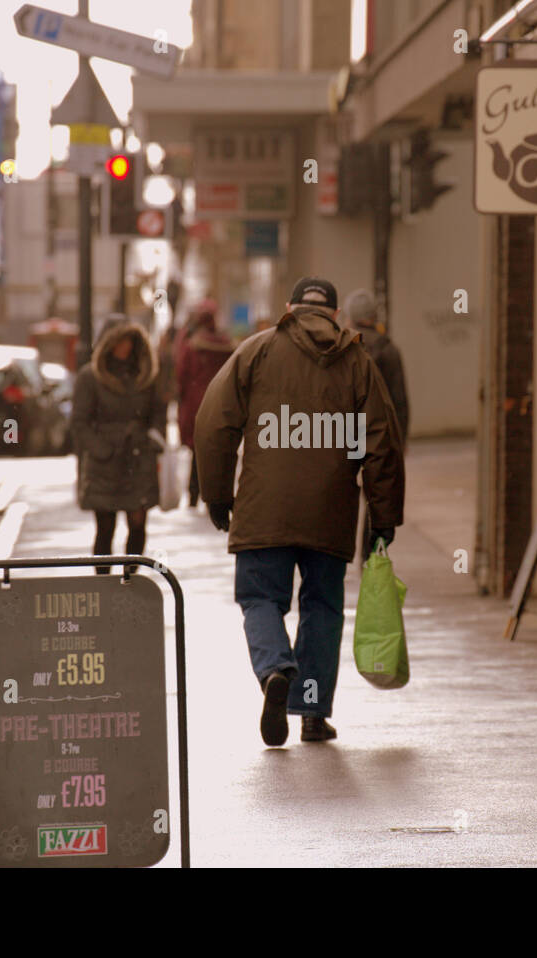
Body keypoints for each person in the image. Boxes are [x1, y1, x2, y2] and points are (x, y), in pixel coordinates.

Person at [194, 277, 405, 746]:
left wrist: (216, 492)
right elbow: (381, 444)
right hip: (330, 508)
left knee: (260, 598)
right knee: (323, 608)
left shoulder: (257, 351)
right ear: (334, 314)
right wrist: (383, 517)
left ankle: (274, 670)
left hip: (263, 508)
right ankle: (310, 712)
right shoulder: (357, 363)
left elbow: (213, 423)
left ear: (289, 308)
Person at [70, 316, 167, 573]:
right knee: (105, 528)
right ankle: (104, 586)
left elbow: (158, 412)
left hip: (139, 458)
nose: (125, 347)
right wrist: (101, 449)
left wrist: (154, 437)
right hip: (105, 464)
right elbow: (79, 421)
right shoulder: (90, 377)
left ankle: (129, 580)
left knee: (137, 524)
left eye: (129, 341)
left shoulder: (146, 376)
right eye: (119, 341)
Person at [343, 288, 411, 563]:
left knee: (344, 491)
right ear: (373, 317)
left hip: (345, 432)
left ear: (349, 318)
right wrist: (400, 440)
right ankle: (369, 555)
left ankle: (338, 552)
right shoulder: (389, 350)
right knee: (376, 497)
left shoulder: (343, 348)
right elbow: (399, 400)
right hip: (379, 435)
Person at [175, 303, 234, 508]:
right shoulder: (226, 344)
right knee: (217, 450)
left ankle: (194, 492)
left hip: (195, 402)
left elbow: (181, 374)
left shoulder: (191, 344)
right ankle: (215, 494)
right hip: (220, 402)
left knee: (195, 450)